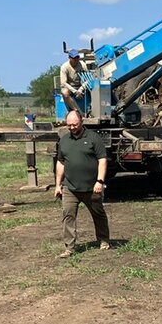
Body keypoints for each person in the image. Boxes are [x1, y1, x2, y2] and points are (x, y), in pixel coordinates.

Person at [54, 109, 110, 258]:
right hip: (70, 187)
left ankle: (104, 239)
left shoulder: (93, 138)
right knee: (68, 216)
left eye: (75, 124)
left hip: (92, 187)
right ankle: (69, 248)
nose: (72, 127)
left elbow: (102, 160)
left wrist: (99, 181)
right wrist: (58, 184)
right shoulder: (64, 140)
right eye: (69, 125)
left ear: (82, 122)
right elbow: (61, 162)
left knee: (98, 213)